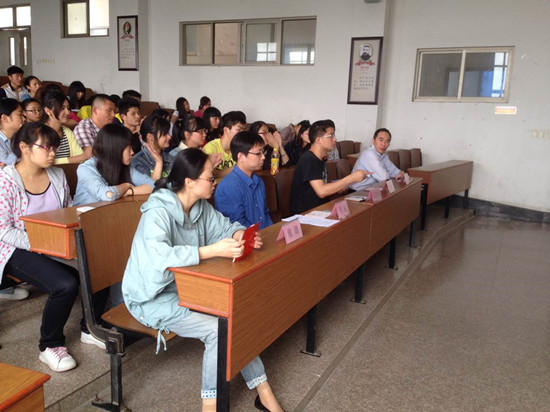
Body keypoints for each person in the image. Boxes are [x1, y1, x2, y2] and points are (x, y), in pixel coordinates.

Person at [122, 148, 284, 412]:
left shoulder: (199, 207)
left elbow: (225, 226)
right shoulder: (157, 212)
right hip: (151, 297)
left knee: (234, 316)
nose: (215, 181)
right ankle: (211, 406)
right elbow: (159, 257)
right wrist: (211, 250)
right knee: (217, 330)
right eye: (210, 178)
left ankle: (263, 392)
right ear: (189, 182)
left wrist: (240, 235)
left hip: (187, 287)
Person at [0, 122, 105, 371]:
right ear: (24, 147)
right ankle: (50, 345)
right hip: (15, 247)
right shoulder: (6, 181)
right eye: (46, 147)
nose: (52, 153)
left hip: (52, 242)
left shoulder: (56, 175)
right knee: (65, 284)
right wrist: (40, 242)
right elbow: (3, 229)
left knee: (100, 267)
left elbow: (66, 210)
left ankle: (89, 328)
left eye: (54, 148)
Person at [289, 120, 370, 215]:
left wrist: (337, 187)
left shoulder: (320, 159)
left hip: (319, 209)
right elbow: (321, 191)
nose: (335, 139)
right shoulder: (309, 159)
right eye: (331, 136)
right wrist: (351, 178)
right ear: (318, 140)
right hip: (305, 213)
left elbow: (318, 186)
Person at [74, 123, 154, 205]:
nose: (132, 152)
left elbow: (153, 185)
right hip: (86, 212)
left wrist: (130, 191)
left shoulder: (123, 166)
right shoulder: (86, 169)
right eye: (129, 148)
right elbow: (108, 195)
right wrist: (126, 185)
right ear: (115, 149)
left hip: (112, 210)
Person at [215, 131, 273, 229]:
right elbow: (236, 224)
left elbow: (265, 213)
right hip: (245, 237)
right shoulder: (228, 186)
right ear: (241, 157)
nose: (263, 157)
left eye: (263, 152)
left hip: (264, 234)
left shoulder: (259, 181)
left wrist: (272, 232)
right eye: (258, 153)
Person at [42, 91, 86, 164]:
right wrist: (74, 159)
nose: (67, 112)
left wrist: (81, 157)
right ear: (48, 111)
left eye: (68, 108)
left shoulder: (67, 132)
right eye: (62, 108)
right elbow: (44, 161)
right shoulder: (40, 132)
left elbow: (81, 158)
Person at [203, 111, 245, 178]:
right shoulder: (210, 148)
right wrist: (239, 167)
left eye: (244, 130)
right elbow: (210, 175)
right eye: (239, 129)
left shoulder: (241, 148)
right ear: (226, 130)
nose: (242, 134)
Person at [74, 94, 116, 159]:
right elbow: (92, 157)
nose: (113, 115)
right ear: (95, 110)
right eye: (109, 110)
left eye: (114, 111)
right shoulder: (83, 128)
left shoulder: (111, 127)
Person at [130, 115, 172, 180]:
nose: (169, 137)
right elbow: (148, 185)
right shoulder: (137, 161)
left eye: (168, 133)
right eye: (164, 134)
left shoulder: (171, 159)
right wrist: (159, 163)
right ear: (150, 137)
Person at [0, 98, 23, 166]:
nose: (24, 119)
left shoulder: (22, 136)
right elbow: (6, 162)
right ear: (5, 118)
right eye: (20, 115)